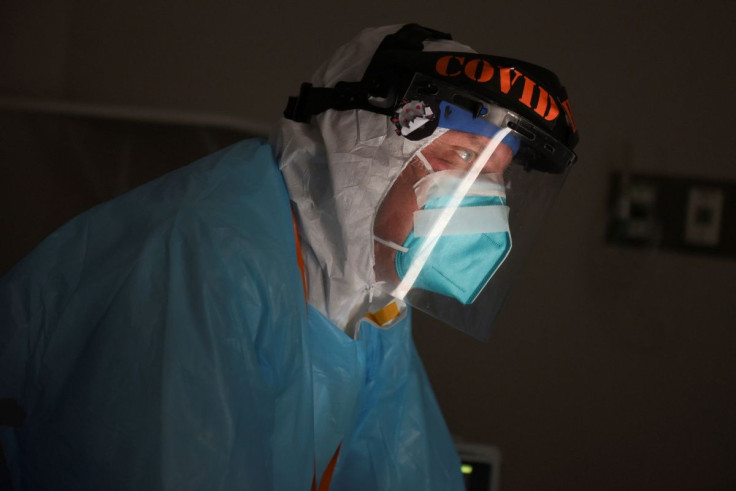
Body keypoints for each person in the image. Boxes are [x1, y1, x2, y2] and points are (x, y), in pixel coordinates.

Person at [0, 24, 578, 490]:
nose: (485, 204)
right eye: (461, 158)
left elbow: (398, 465)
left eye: (494, 181)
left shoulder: (367, 294)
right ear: (367, 147)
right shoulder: (209, 258)